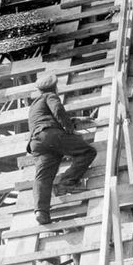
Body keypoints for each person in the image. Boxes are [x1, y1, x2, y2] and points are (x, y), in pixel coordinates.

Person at [28, 73, 96, 225]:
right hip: (50, 135)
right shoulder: (50, 96)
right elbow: (58, 110)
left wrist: (74, 120)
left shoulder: (34, 106)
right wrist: (69, 129)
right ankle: (66, 183)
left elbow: (47, 119)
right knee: (88, 152)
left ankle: (41, 212)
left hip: (37, 143)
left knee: (43, 177)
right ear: (55, 88)